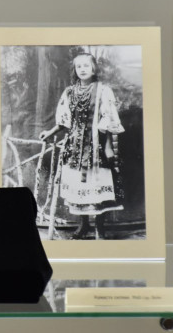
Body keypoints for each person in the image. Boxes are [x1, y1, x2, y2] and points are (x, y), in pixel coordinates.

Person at [39, 51, 124, 239]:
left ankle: (100, 226)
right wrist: (50, 132)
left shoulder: (103, 91)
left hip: (97, 147)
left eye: (86, 65)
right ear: (75, 70)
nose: (82, 69)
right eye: (79, 66)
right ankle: (83, 225)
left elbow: (108, 121)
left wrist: (108, 147)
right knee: (79, 183)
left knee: (97, 182)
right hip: (75, 147)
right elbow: (64, 121)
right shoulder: (69, 92)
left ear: (94, 69)